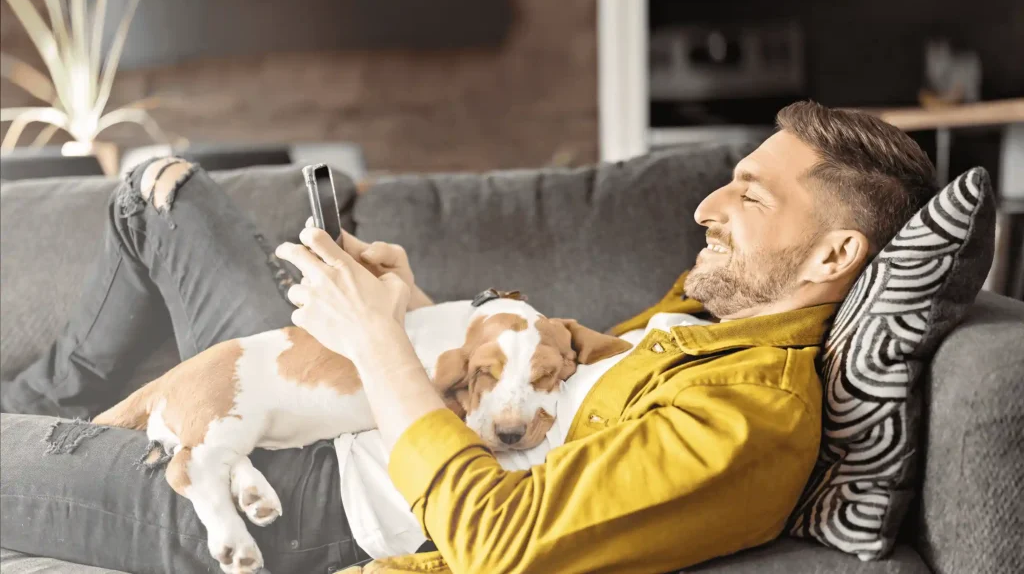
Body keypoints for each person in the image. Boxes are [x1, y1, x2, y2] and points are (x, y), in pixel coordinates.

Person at [0, 101, 937, 574]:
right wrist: (418, 314)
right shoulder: (700, 324)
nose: (706, 206)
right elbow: (515, 408)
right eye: (727, 180)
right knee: (159, 194)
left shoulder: (749, 417)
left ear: (838, 252)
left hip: (312, 501)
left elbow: (507, 541)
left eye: (749, 194)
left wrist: (380, 345)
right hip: (340, 409)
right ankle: (42, 403)